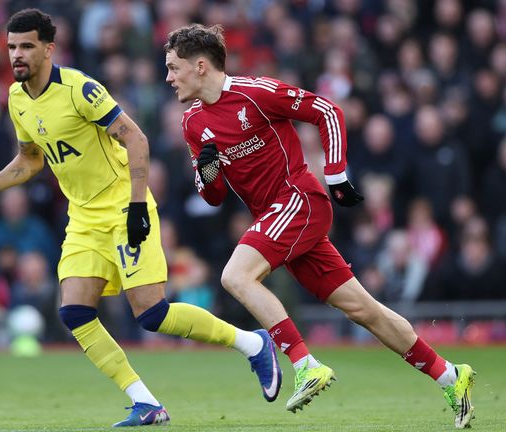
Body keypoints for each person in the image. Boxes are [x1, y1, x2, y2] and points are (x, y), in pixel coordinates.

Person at [0, 9, 280, 427]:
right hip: (84, 219)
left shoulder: (80, 90)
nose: (17, 55)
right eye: (12, 47)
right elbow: (30, 159)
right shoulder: (17, 98)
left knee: (152, 314)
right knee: (74, 313)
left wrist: (134, 206)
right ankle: (146, 402)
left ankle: (252, 343)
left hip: (123, 207)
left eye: (26, 46)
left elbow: (136, 139)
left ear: (48, 49)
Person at [163, 24, 476, 429]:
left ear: (200, 66)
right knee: (364, 310)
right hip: (277, 218)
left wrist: (336, 176)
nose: (169, 77)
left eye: (173, 67)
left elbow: (327, 111)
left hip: (299, 199)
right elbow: (215, 197)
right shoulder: (192, 124)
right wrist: (207, 172)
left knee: (235, 276)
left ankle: (304, 364)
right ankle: (452, 376)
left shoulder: (255, 93)